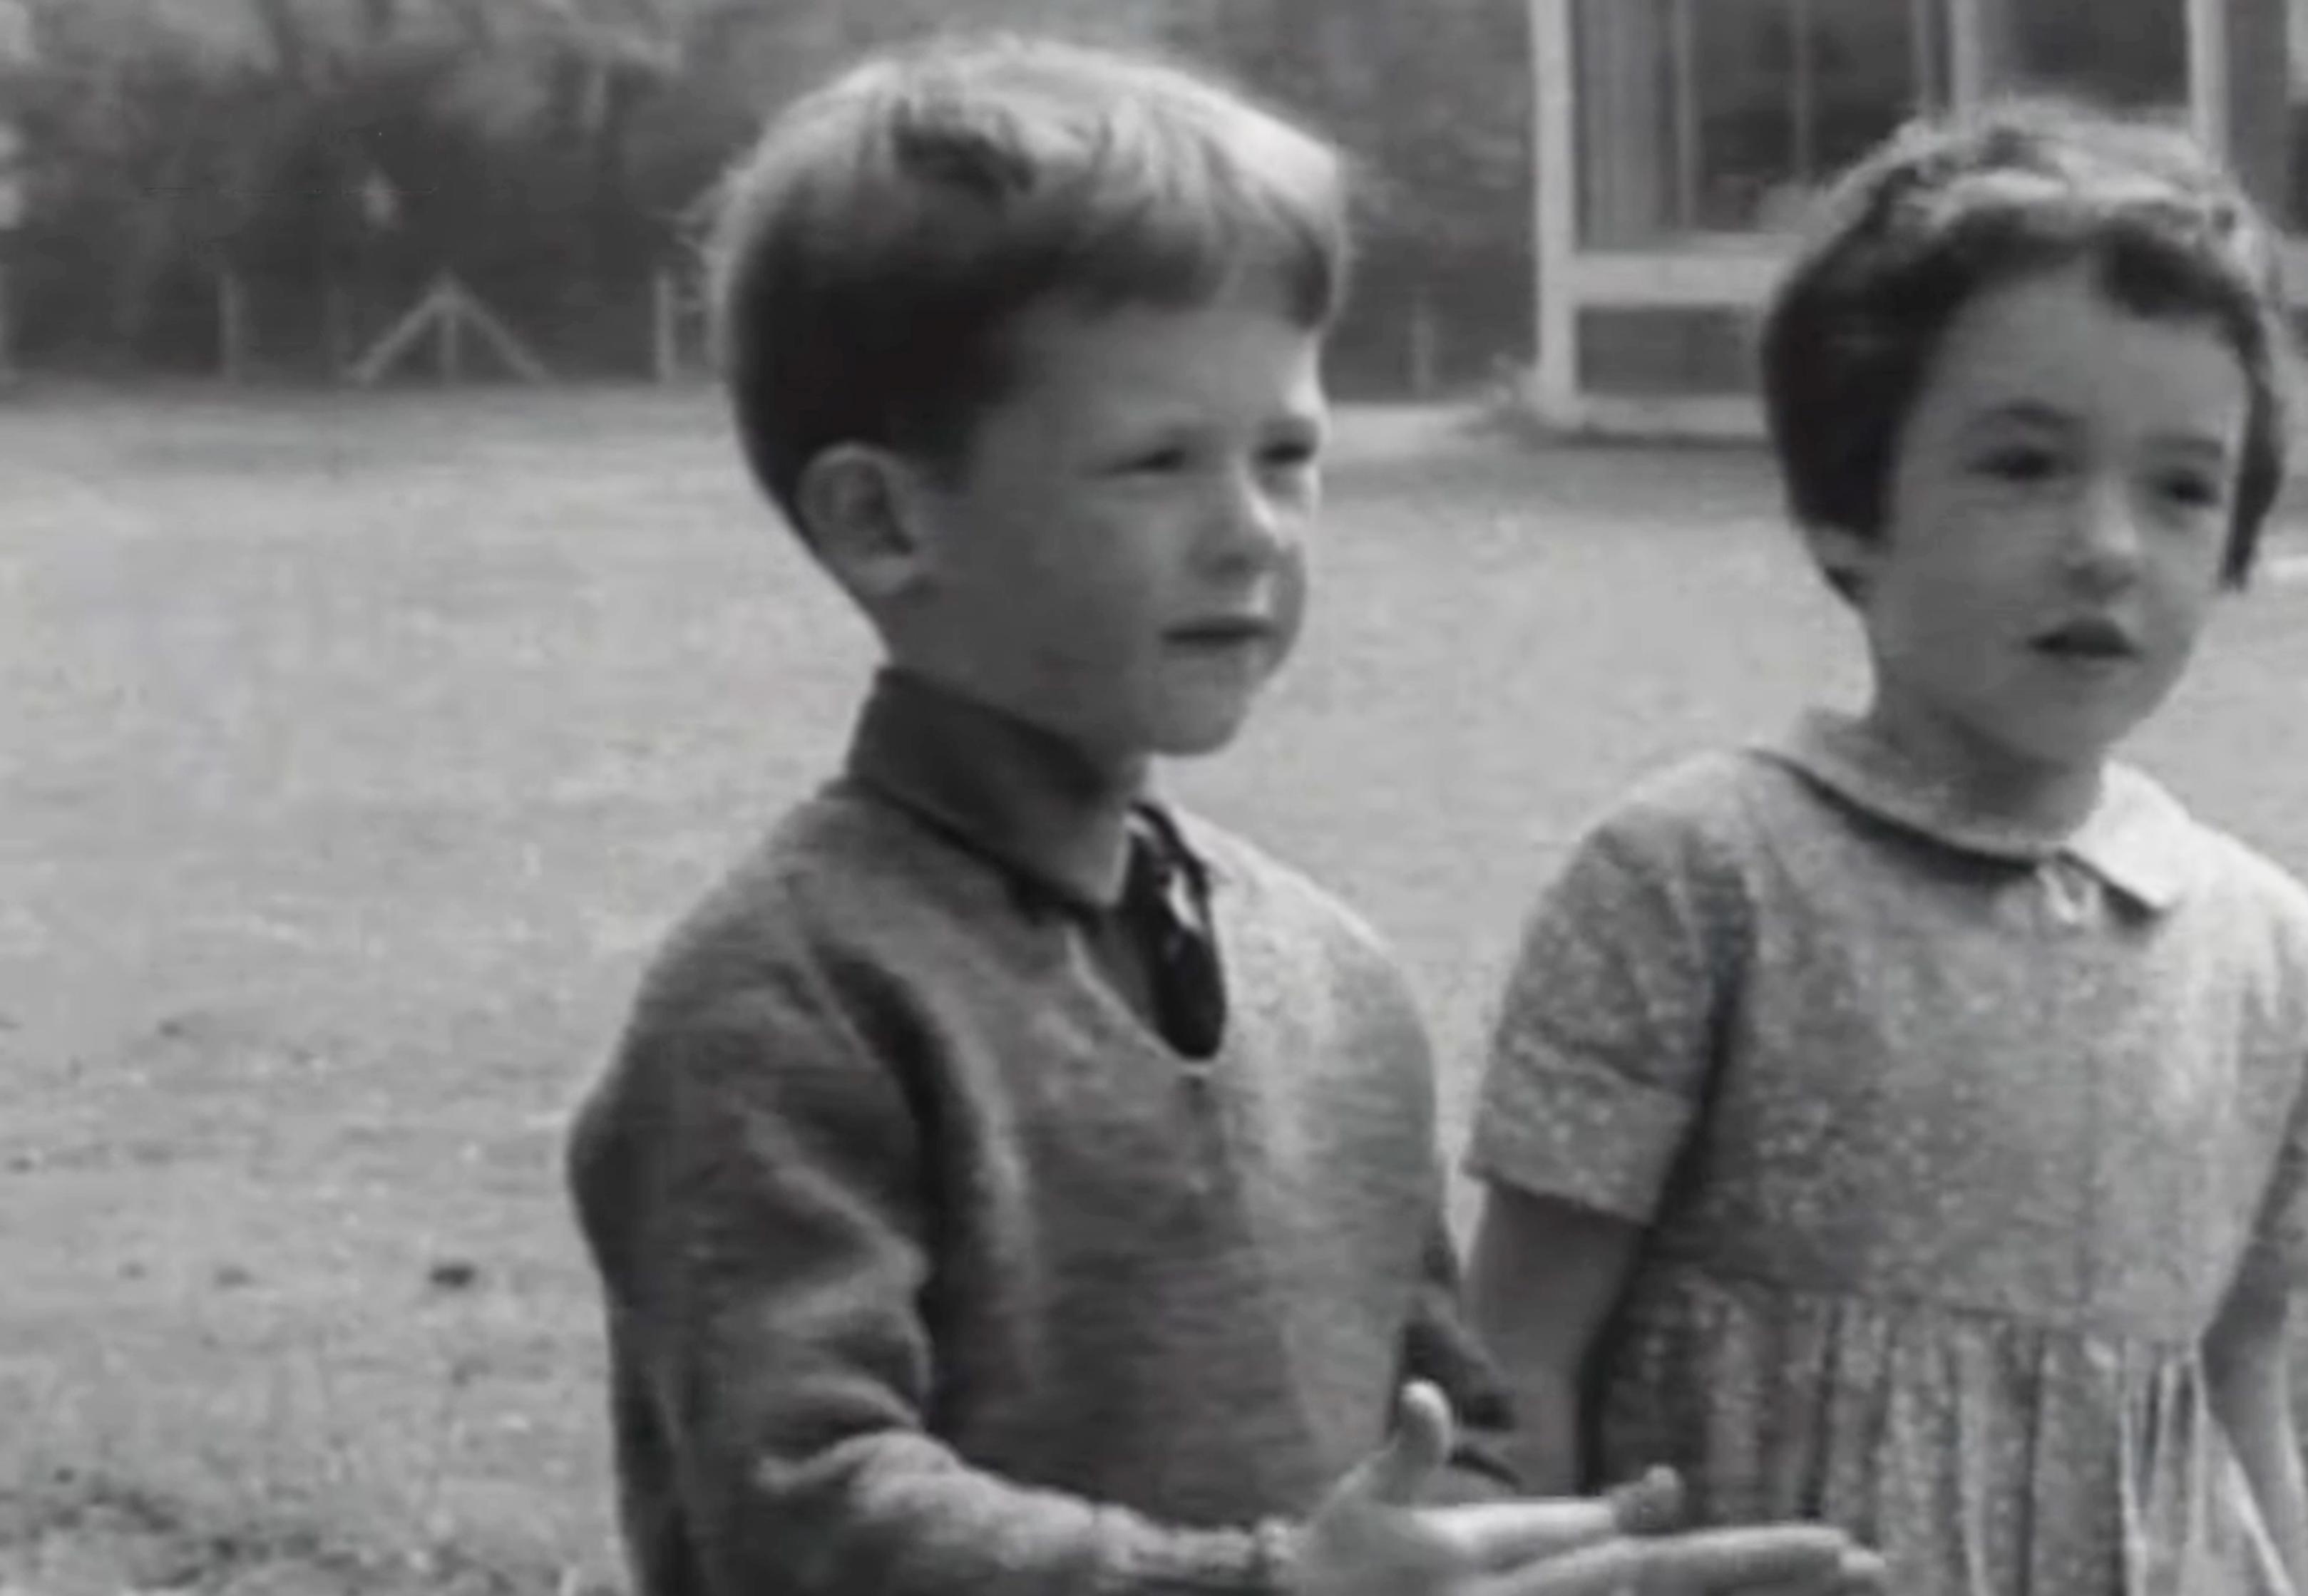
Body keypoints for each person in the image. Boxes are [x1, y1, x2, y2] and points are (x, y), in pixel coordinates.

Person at [562, 33, 1880, 1596]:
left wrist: (1489, 1560)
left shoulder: (1330, 977)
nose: (1251, 530)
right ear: (884, 515)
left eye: (1289, 453)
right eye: (1159, 462)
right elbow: (797, 1507)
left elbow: (1450, 1426)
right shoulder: (793, 997)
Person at [1460, 100, 2308, 1596]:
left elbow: (2238, 1396)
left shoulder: (2277, 958)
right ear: (1847, 513)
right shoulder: (1701, 876)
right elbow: (1522, 1354)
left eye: (2182, 487)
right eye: (2022, 465)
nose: (2107, 546)